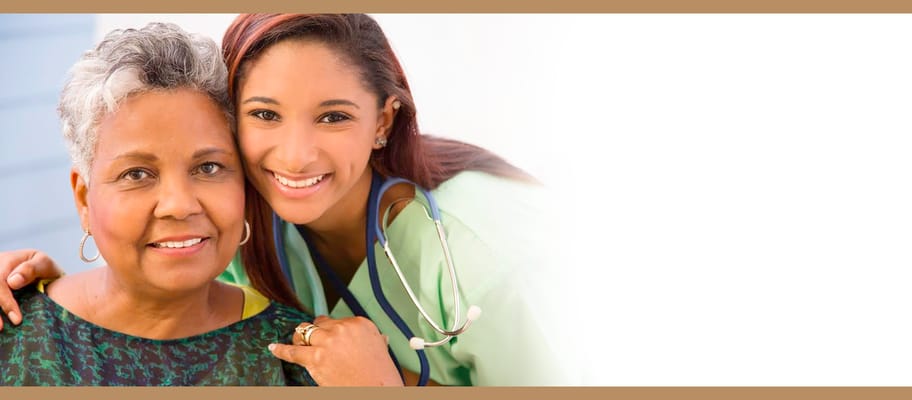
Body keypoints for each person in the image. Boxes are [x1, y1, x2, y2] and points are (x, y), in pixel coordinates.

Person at [0, 14, 579, 386]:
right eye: (264, 115)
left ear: (383, 120)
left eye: (332, 116)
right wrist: (52, 294)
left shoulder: (495, 260)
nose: (295, 156)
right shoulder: (250, 216)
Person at [0, 22, 315, 386]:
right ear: (84, 200)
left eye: (208, 167)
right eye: (137, 174)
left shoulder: (296, 355)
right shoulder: (14, 334)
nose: (179, 206)